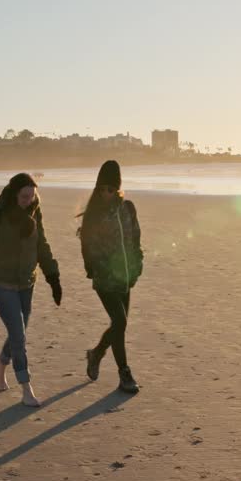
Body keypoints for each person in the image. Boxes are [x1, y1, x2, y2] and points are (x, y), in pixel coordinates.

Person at [0, 172, 61, 407]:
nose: (28, 200)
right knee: (19, 336)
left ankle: (1, 365)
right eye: (24, 196)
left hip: (27, 282)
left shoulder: (34, 211)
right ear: (14, 194)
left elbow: (41, 244)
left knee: (18, 333)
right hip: (2, 283)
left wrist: (53, 276)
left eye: (32, 196)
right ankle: (26, 387)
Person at [78, 160, 143, 393]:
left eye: (111, 189)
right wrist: (95, 269)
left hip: (126, 277)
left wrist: (138, 265)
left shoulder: (128, 209)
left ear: (118, 189)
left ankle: (96, 353)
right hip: (105, 279)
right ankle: (124, 373)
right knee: (120, 321)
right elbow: (88, 246)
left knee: (119, 326)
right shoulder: (95, 215)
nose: (106, 193)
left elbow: (135, 239)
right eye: (102, 189)